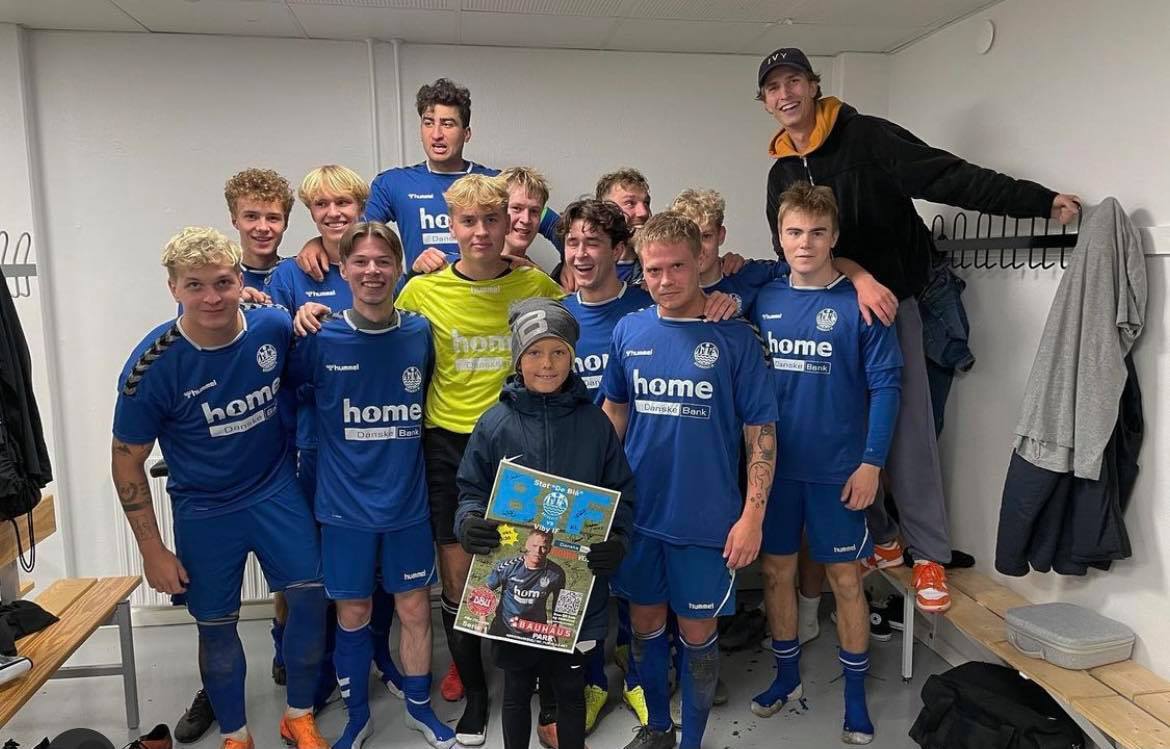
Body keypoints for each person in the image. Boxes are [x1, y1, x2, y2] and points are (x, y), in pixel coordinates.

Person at [758, 46, 1081, 613]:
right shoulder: (782, 171)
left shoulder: (866, 136)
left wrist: (1038, 201)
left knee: (908, 432)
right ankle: (884, 535)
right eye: (773, 87)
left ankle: (929, 553)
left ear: (813, 85)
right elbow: (793, 250)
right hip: (834, 305)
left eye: (794, 81)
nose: (786, 94)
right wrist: (854, 277)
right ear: (764, 101)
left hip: (891, 304)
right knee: (844, 431)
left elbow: (948, 176)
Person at [298, 173, 564, 744]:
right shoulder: (420, 293)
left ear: (510, 224)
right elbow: (371, 327)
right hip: (445, 446)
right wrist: (301, 306)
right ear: (451, 226)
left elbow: (567, 341)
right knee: (458, 580)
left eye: (492, 220)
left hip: (518, 441)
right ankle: (475, 695)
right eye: (468, 221)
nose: (481, 231)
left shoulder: (537, 284)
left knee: (530, 567)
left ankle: (536, 692)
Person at [111, 227, 328, 749]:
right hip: (205, 509)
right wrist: (152, 550)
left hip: (275, 489)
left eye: (223, 283)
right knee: (215, 625)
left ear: (240, 280)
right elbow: (125, 461)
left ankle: (298, 715)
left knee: (310, 598)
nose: (212, 297)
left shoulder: (272, 325)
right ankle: (236, 734)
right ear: (173, 288)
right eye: (195, 285)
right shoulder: (151, 367)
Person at [600, 213, 778, 749]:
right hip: (640, 518)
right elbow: (614, 415)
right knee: (645, 627)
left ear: (700, 260)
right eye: (653, 270)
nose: (665, 280)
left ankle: (693, 741)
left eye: (676, 266)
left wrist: (752, 517)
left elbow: (761, 435)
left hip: (707, 521)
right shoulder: (629, 331)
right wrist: (597, 498)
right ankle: (658, 728)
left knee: (698, 635)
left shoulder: (735, 337)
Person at [287, 221, 454, 749]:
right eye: (360, 261)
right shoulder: (320, 336)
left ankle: (419, 709)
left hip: (407, 505)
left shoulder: (420, 333)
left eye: (383, 260)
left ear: (399, 267)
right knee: (354, 613)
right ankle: (357, 717)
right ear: (343, 270)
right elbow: (291, 398)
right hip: (344, 509)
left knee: (414, 610)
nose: (372, 271)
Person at [750, 183, 903, 745]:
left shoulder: (862, 304)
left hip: (840, 471)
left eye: (817, 232)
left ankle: (855, 698)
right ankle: (786, 676)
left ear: (834, 237)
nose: (805, 243)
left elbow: (887, 388)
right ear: (780, 236)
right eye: (794, 232)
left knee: (845, 580)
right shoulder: (763, 297)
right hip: (776, 470)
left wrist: (871, 464)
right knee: (776, 573)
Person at [455, 297, 635, 749]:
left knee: (571, 691)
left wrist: (618, 539)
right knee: (516, 693)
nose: (547, 364)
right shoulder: (494, 423)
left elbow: (621, 492)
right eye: (534, 352)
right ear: (518, 359)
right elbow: (470, 489)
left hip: (577, 595)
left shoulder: (595, 424)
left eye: (558, 352)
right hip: (513, 606)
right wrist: (469, 523)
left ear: (573, 357)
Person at [267, 165, 406, 708]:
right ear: (309, 212)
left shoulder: (377, 260)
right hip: (315, 440)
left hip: (381, 439)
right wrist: (294, 320)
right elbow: (271, 352)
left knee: (380, 564)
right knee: (324, 563)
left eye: (343, 203)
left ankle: (379, 655)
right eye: (321, 205)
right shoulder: (291, 275)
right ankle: (321, 663)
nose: (333, 213)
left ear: (361, 206)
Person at [171, 167, 297, 745]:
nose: (263, 226)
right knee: (216, 605)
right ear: (234, 220)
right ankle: (216, 691)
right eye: (252, 216)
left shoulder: (303, 272)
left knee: (295, 580)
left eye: (273, 217)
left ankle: (287, 658)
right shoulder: (213, 280)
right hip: (219, 468)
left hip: (287, 448)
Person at [296, 79, 562, 282]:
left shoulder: (495, 182)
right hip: (426, 302)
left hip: (487, 300)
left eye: (447, 124)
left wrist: (568, 268)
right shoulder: (394, 183)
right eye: (428, 122)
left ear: (466, 133)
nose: (436, 134)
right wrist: (318, 243)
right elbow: (356, 233)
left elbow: (555, 226)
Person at [669, 188, 778, 317]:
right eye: (689, 238)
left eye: (706, 236)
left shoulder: (749, 274)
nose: (698, 247)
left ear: (721, 235)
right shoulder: (666, 287)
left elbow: (793, 270)